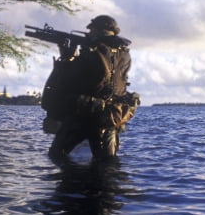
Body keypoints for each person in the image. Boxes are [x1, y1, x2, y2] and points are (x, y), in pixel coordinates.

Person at [43, 15, 138, 160]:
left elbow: (67, 81)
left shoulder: (93, 53)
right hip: (111, 117)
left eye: (92, 30)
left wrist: (66, 57)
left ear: (99, 31)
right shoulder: (124, 54)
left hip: (84, 116)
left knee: (57, 155)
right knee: (107, 163)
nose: (89, 33)